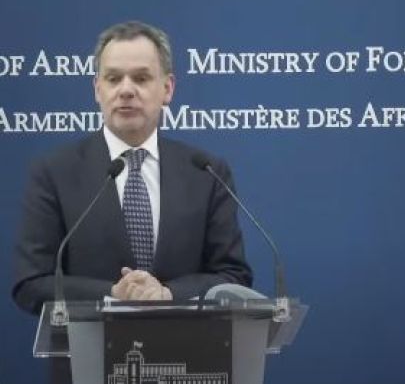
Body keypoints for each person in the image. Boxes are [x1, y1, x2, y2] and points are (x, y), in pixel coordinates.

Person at [12, 21, 253, 315]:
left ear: (167, 89)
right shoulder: (54, 172)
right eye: (113, 79)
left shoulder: (206, 172)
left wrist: (168, 294)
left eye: (141, 78)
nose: (126, 90)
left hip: (187, 341)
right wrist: (113, 294)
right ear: (97, 89)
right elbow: (31, 283)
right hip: (90, 343)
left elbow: (233, 276)